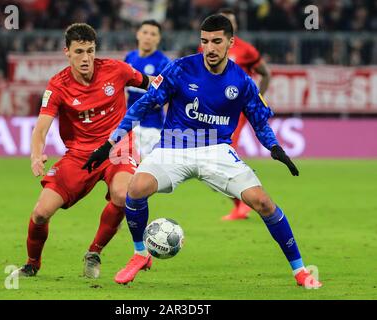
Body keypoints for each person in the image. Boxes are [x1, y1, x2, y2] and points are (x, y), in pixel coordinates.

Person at [82, 15, 322, 289]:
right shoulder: (180, 69)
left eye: (217, 42)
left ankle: (300, 271)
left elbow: (259, 120)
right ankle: (140, 254)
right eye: (205, 41)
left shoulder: (241, 81)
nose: (210, 48)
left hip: (217, 150)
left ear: (231, 43)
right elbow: (144, 104)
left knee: (264, 203)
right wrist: (110, 143)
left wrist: (275, 147)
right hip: (174, 144)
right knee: (135, 189)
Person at [11, 23, 153, 279]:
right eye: (79, 52)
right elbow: (41, 128)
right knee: (41, 213)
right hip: (80, 154)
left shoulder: (117, 70)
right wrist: (36, 154)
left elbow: (151, 84)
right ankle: (32, 264)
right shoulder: (57, 85)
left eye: (90, 51)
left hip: (118, 147)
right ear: (67, 52)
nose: (86, 58)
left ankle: (94, 252)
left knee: (123, 195)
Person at [218, 8, 272, 221]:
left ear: (235, 26)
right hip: (211, 111)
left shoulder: (246, 50)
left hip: (234, 111)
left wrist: (257, 100)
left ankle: (246, 201)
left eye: (229, 22)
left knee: (223, 156)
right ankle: (241, 203)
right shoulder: (208, 46)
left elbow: (266, 74)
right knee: (213, 161)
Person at [124, 20, 171, 159]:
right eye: (145, 32)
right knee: (127, 169)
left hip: (151, 126)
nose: (148, 37)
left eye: (153, 34)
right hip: (129, 124)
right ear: (138, 34)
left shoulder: (164, 63)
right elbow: (123, 88)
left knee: (147, 171)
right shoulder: (129, 57)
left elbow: (167, 96)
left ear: (158, 38)